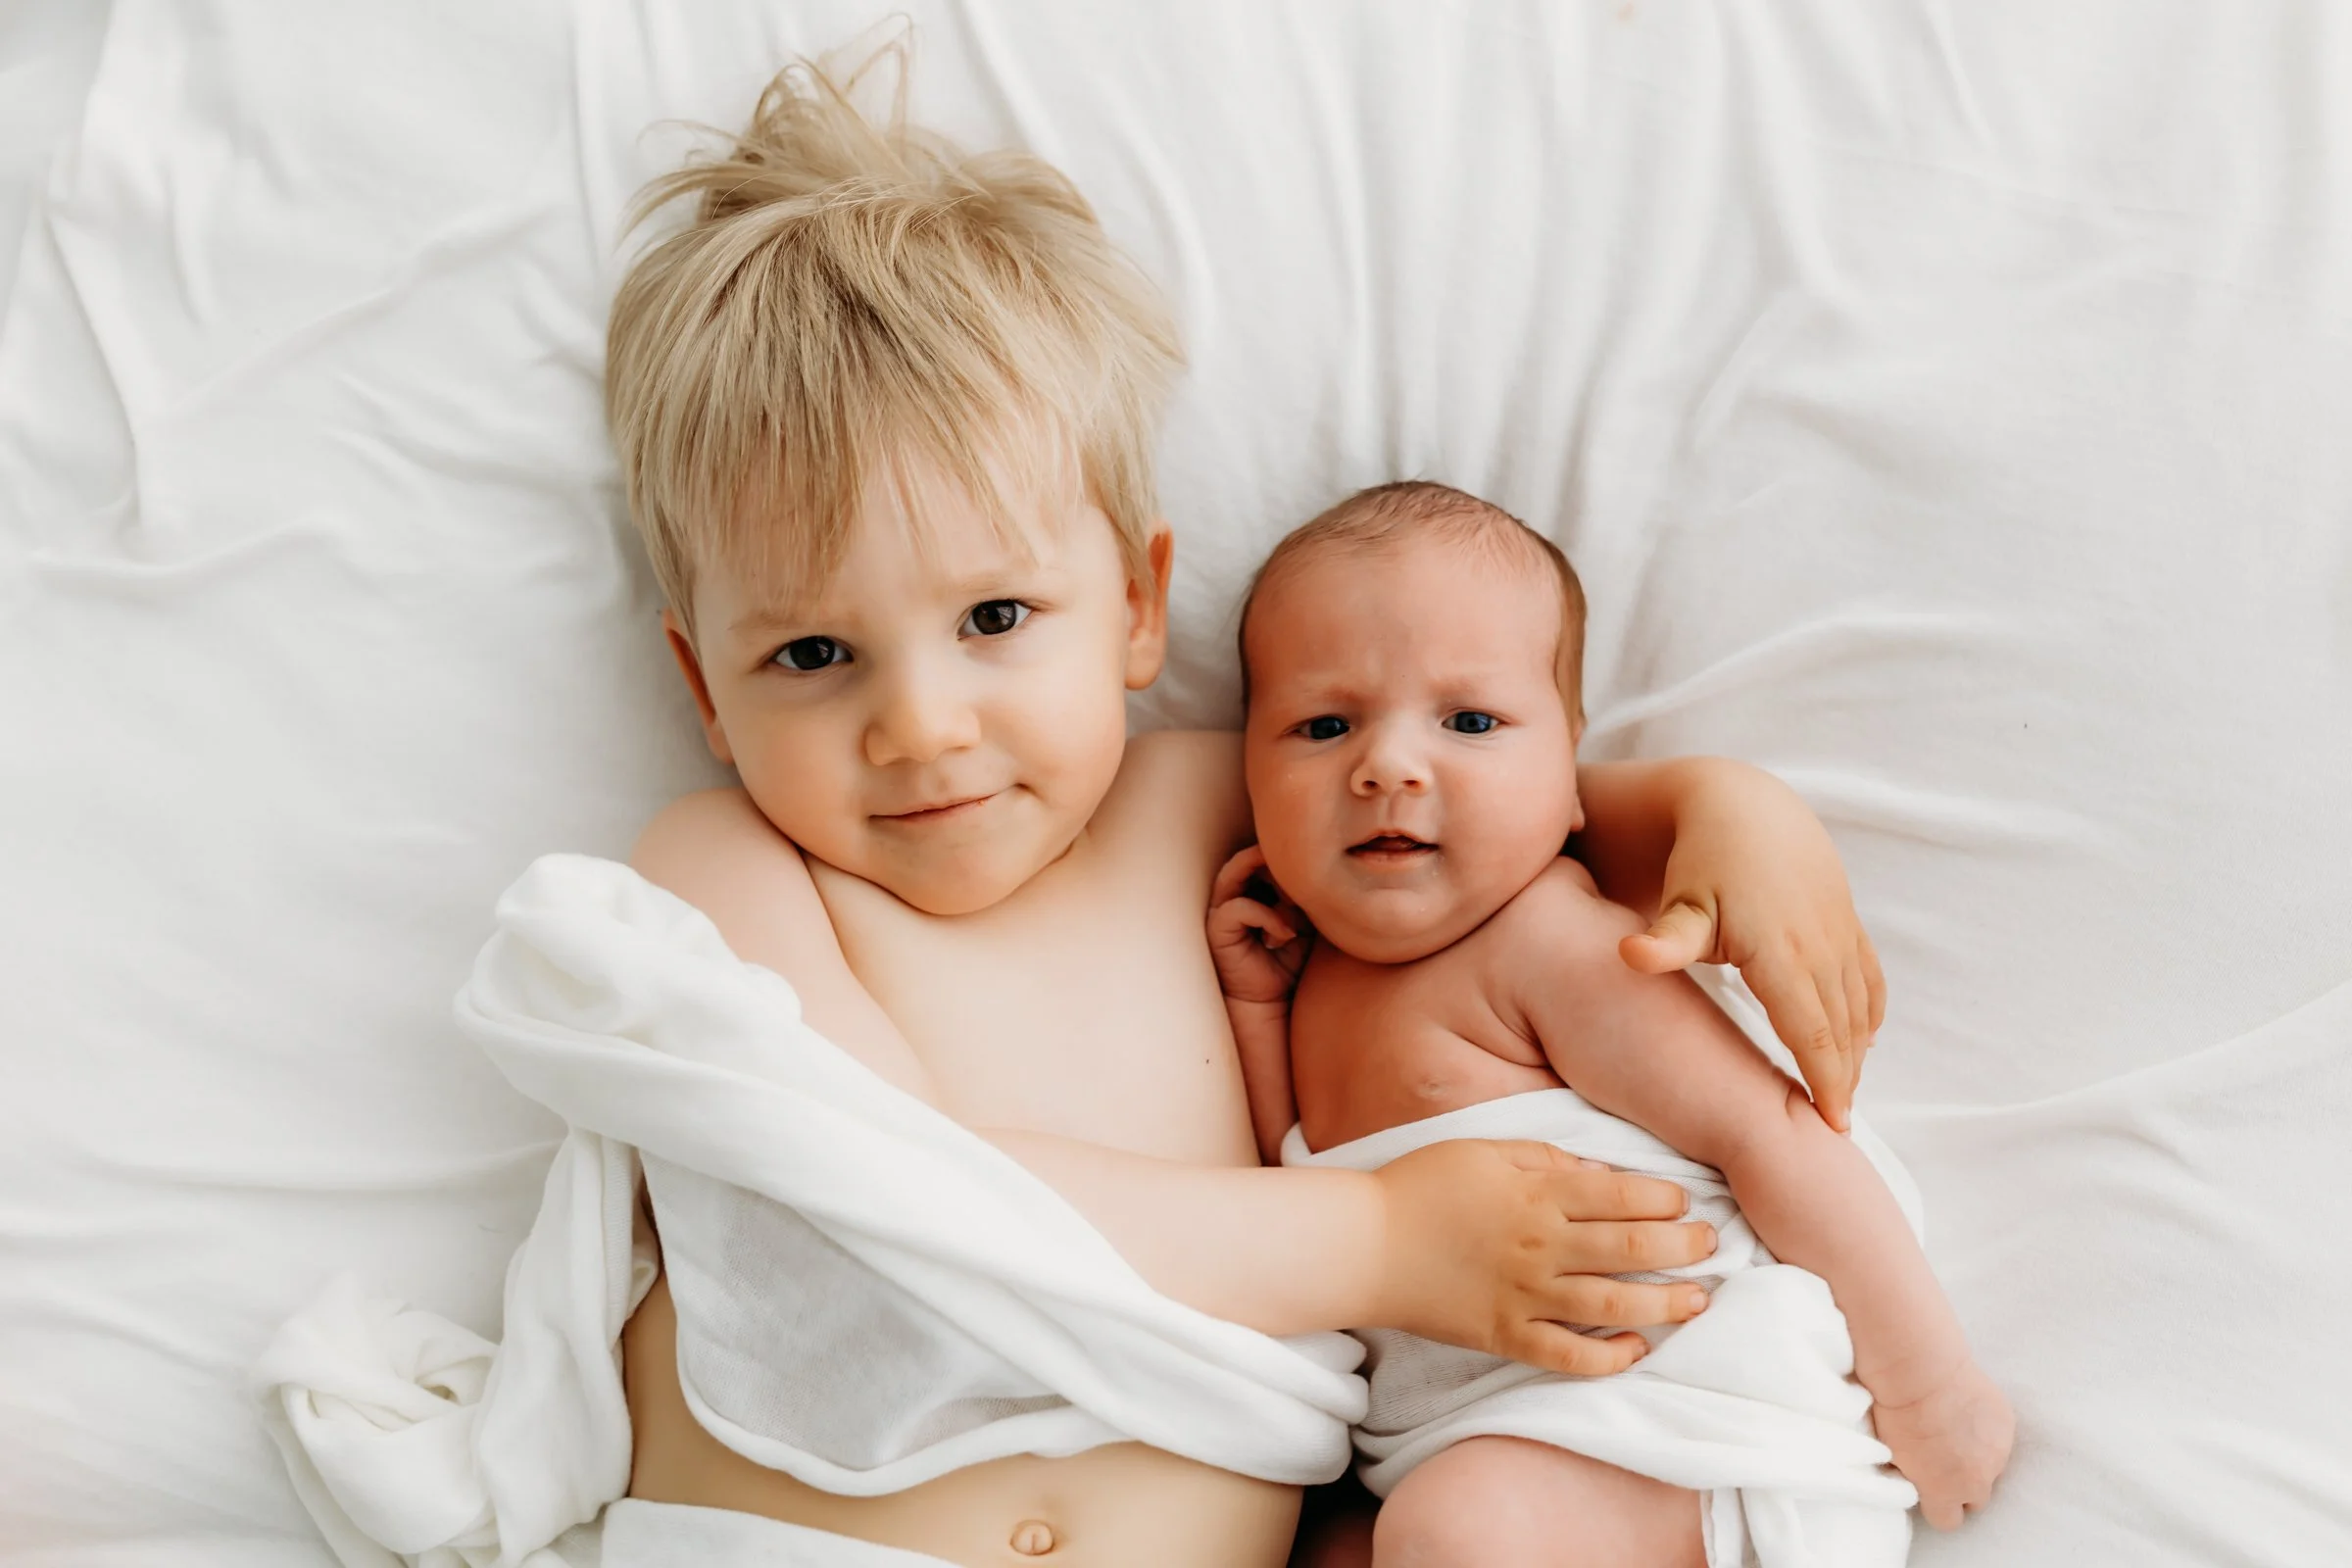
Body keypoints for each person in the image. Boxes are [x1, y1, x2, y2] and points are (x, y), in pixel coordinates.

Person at [601, 43, 1890, 1567]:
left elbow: (1494, 807)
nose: (920, 727)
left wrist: (1716, 807)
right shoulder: (724, 872)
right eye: (813, 654)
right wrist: (1392, 1241)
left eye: (998, 618)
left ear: (1140, 606)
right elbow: (893, 1199)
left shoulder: (1223, 797)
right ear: (704, 687)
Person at [1208, 482, 2013, 1566]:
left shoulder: (1552, 940)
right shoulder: (1308, 978)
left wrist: (1929, 1386)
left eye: (1471, 721)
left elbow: (1768, 1131)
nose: (1388, 764)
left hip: (1686, 1431)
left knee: (1450, 1532)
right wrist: (1258, 1015)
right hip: (1482, 1443)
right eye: (1323, 724)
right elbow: (1299, 1195)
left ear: (1572, 776)